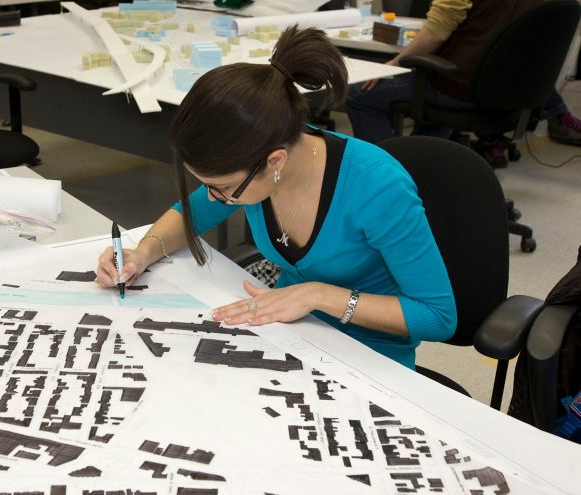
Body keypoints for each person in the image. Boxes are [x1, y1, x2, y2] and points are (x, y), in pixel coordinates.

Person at [95, 26, 456, 370]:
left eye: (223, 188)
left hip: (370, 355)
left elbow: (437, 317)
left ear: (275, 162)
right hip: (287, 330)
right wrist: (141, 254)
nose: (216, 197)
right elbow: (192, 213)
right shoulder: (259, 153)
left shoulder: (376, 186)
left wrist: (317, 295)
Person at [346, 0, 581, 167]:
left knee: (358, 94)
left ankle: (385, 180)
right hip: (509, 93)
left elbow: (436, 33)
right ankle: (421, 174)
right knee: (432, 101)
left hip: (461, 87)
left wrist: (394, 64)